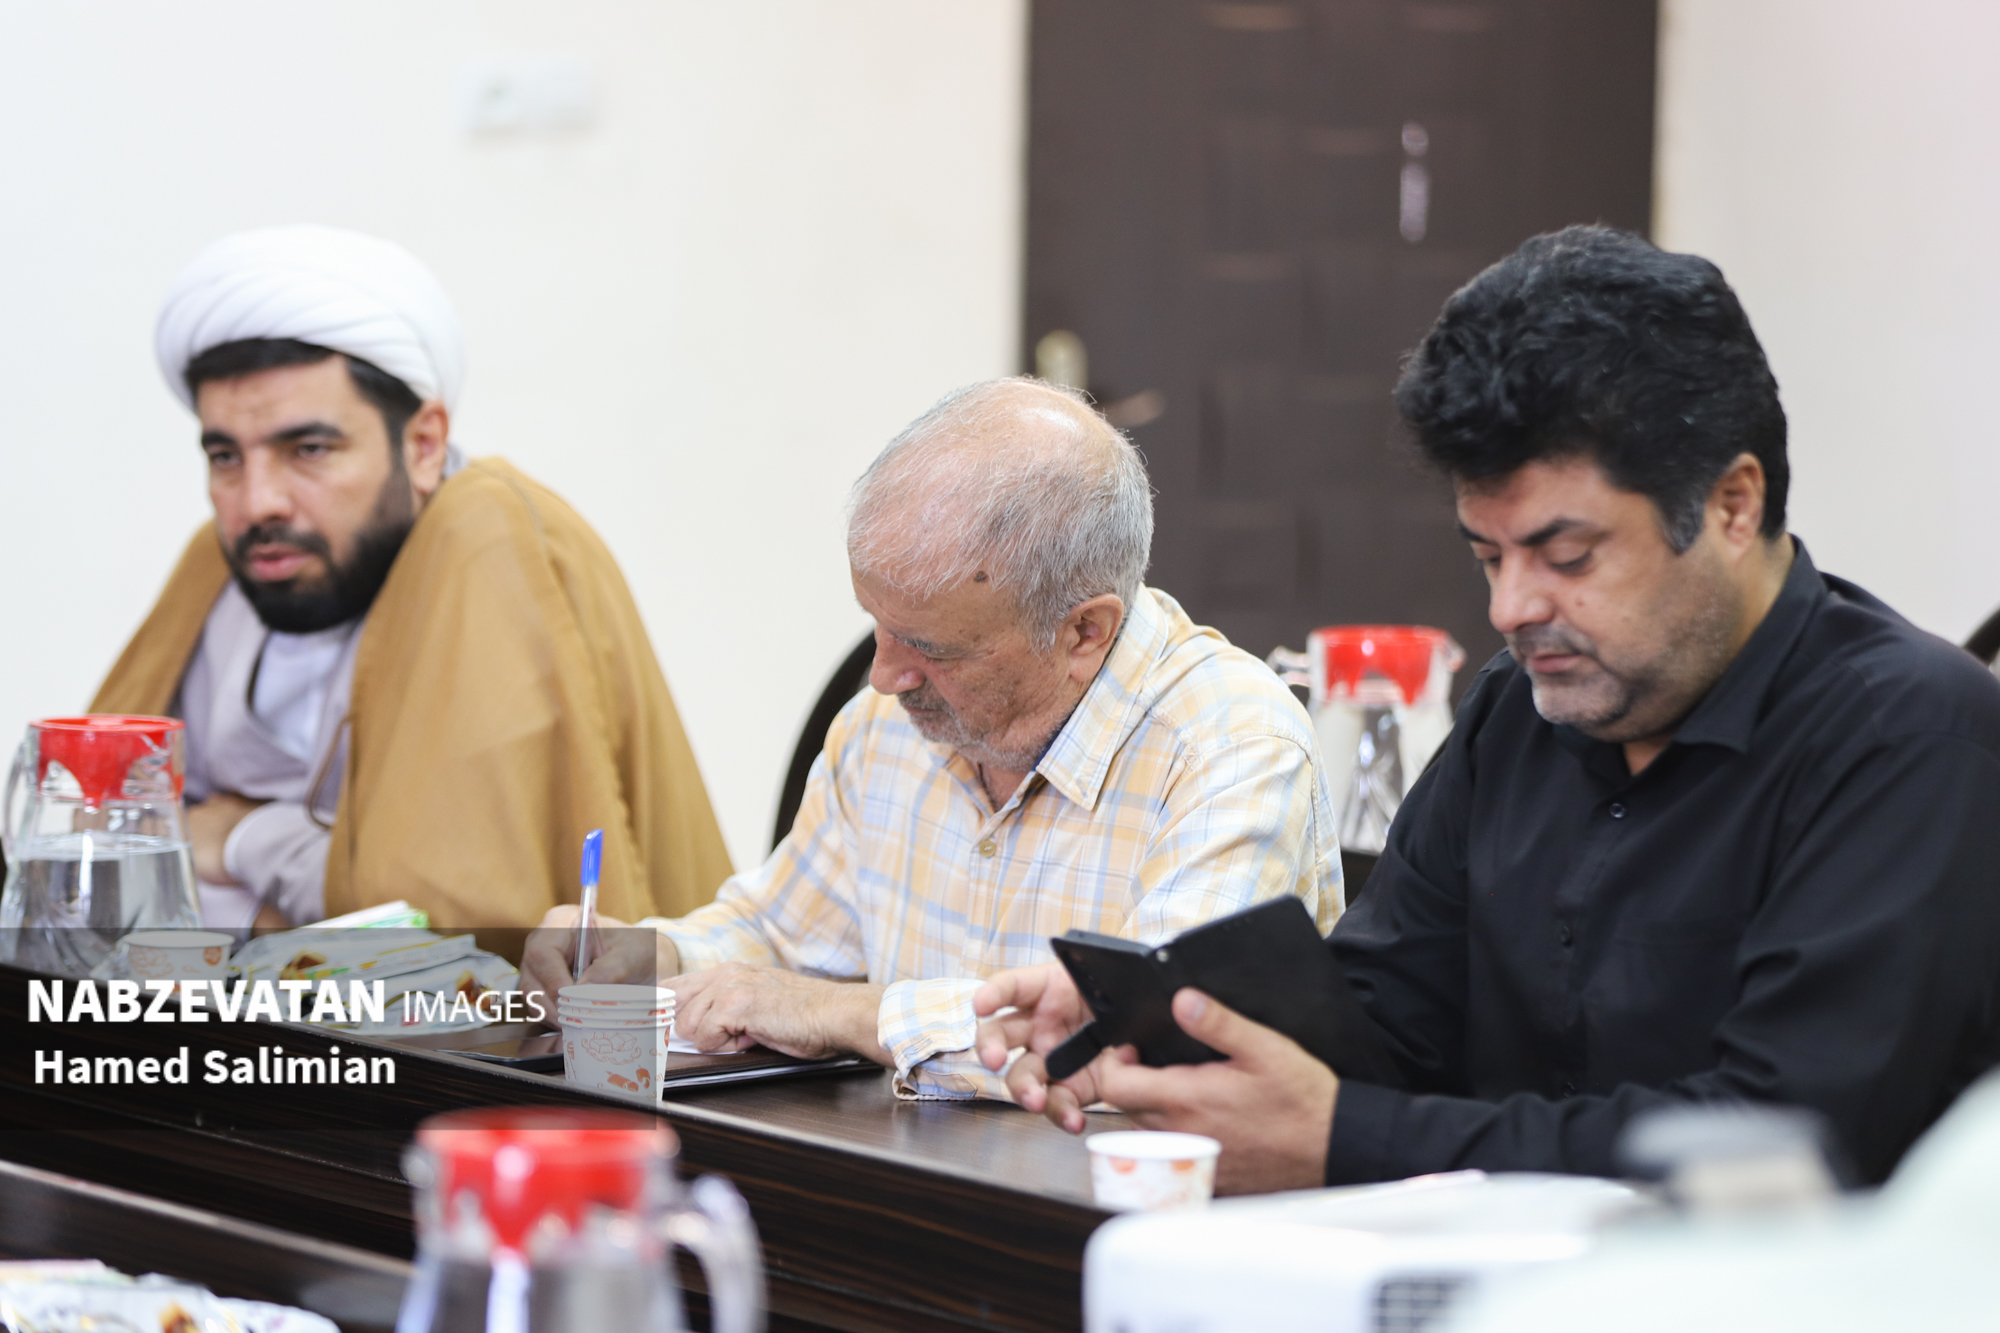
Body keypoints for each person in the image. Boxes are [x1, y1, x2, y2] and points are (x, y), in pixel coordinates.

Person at [977, 225, 2000, 1191]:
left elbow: (1785, 1138)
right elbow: (1386, 1017)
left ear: (1732, 505)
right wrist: (1172, 1019)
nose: (1512, 608)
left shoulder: (1909, 736)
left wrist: (1346, 1138)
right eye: (1487, 557)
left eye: (1567, 556)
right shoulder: (1519, 710)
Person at [520, 378, 1343, 1097]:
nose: (884, 675)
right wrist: (657, 956)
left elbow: (1133, 1046)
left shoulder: (1230, 745)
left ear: (1084, 632)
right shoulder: (886, 728)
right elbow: (782, 939)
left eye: (932, 648)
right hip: (912, 1189)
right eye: (876, 625)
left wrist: (846, 1013)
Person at [93, 225, 733, 932]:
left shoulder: (489, 539)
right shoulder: (232, 558)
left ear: (424, 445)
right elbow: (100, 831)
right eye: (225, 456)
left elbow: (454, 919)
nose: (257, 501)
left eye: (309, 449)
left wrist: (246, 838)